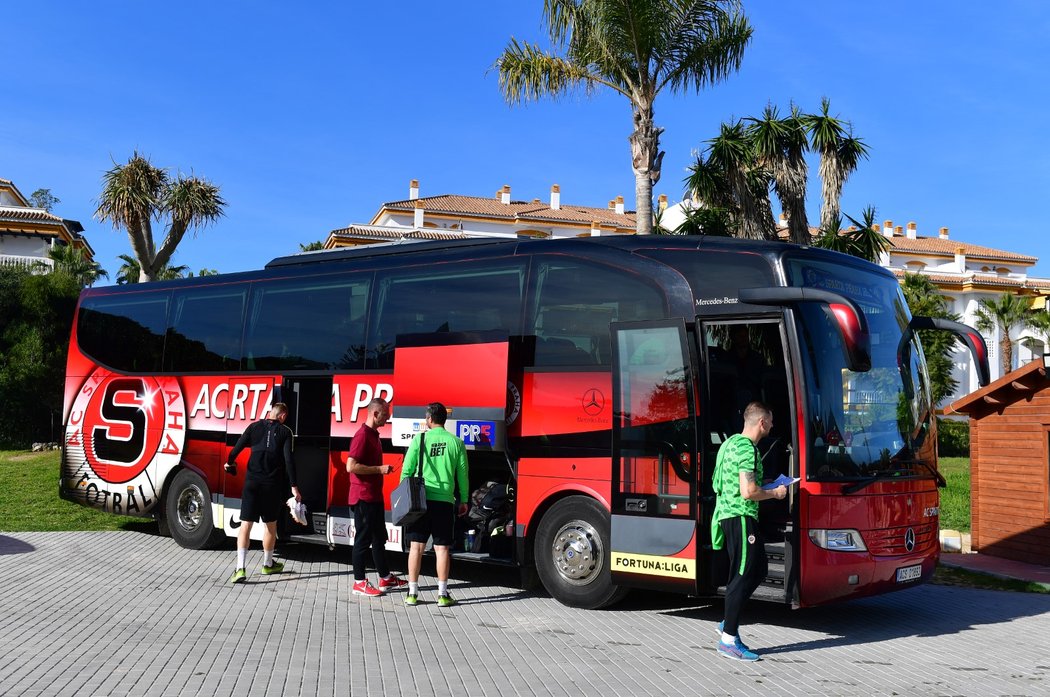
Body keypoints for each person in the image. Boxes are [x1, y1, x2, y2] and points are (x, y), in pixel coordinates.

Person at [711, 401, 787, 661]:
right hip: (740, 516)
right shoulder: (747, 449)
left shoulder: (730, 443)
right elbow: (748, 492)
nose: (773, 426)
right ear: (762, 423)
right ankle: (728, 640)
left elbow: (733, 481)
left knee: (759, 569)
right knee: (742, 575)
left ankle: (727, 621)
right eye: (772, 421)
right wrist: (775, 492)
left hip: (728, 515)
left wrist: (767, 482)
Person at [400, 402, 469, 607]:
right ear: (444, 420)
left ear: (429, 419)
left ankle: (412, 594)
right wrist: (464, 499)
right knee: (442, 549)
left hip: (420, 501)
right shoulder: (456, 442)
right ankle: (442, 594)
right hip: (444, 502)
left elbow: (406, 471)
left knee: (416, 548)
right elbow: (463, 475)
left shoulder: (419, 439)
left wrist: (405, 497)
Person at [225, 402, 300, 584]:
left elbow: (236, 449)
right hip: (271, 486)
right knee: (270, 526)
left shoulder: (254, 427)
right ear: (282, 416)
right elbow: (289, 461)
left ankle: (240, 569)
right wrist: (294, 487)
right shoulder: (285, 432)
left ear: (270, 413)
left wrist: (230, 462)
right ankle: (267, 564)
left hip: (251, 484)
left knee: (245, 526)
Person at [345, 397, 407, 597]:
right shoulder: (362, 435)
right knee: (363, 540)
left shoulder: (374, 435)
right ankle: (359, 582)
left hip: (374, 497)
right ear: (375, 413)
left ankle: (385, 578)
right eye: (385, 416)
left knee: (379, 538)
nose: (387, 420)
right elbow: (351, 465)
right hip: (363, 497)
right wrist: (379, 469)